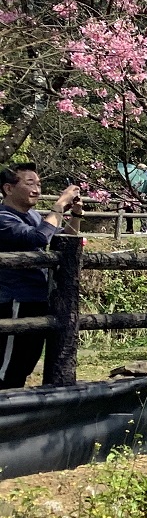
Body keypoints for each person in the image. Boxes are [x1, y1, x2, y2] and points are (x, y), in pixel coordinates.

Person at [0, 164, 81, 388]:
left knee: (25, 363)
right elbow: (39, 239)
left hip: (36, 298)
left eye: (39, 184)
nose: (37, 189)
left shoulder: (35, 216)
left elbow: (64, 238)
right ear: (8, 188)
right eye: (29, 183)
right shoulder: (4, 218)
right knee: (7, 367)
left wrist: (75, 214)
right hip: (14, 300)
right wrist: (59, 205)